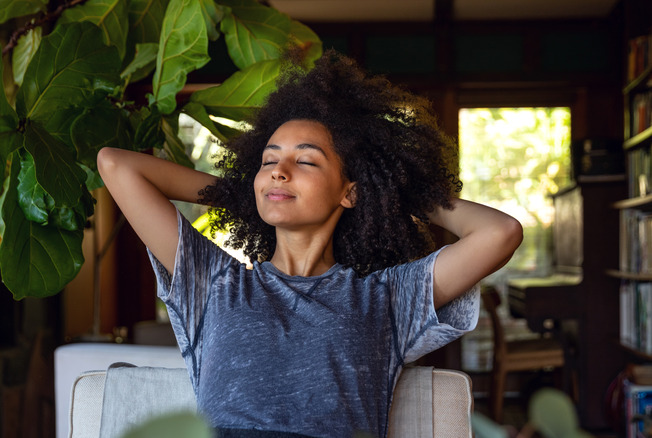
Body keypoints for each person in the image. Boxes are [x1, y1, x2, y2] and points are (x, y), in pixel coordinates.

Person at [97, 50, 523, 438]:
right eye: (267, 161)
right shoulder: (213, 282)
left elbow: (499, 233)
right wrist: (245, 193)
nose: (279, 171)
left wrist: (392, 192)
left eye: (304, 161)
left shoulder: (388, 300)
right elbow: (115, 164)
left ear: (350, 192)